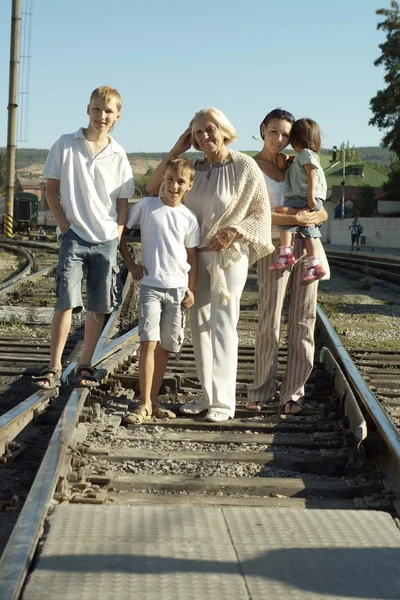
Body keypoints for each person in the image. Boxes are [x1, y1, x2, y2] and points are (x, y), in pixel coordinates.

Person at [147, 107, 273, 422]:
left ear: (224, 129)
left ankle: (224, 402)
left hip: (229, 256)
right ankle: (207, 395)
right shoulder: (193, 169)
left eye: (210, 129)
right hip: (193, 258)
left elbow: (261, 212)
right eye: (198, 132)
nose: (205, 136)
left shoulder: (244, 165)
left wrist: (235, 231)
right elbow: (152, 191)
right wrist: (177, 149)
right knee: (198, 325)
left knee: (223, 325)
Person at [32, 86, 134, 390]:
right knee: (65, 301)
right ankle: (53, 366)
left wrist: (116, 234)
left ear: (117, 116)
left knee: (98, 305)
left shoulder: (118, 154)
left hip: (105, 239)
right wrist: (65, 228)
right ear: (88, 110)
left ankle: (86, 365)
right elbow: (51, 189)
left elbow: (123, 202)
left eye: (108, 111)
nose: (102, 116)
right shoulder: (65, 145)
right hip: (74, 236)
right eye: (97, 109)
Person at [246, 108, 330, 415]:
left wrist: (314, 215)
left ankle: (293, 393)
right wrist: (294, 216)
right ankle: (261, 389)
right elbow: (255, 215)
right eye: (274, 132)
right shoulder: (251, 167)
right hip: (273, 245)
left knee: (304, 320)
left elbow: (321, 210)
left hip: (307, 246)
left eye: (286, 134)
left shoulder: (297, 162)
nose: (279, 139)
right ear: (263, 129)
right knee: (269, 320)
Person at [120, 158, 200, 424]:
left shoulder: (188, 218)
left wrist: (191, 288)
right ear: (162, 179)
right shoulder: (147, 206)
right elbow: (121, 235)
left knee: (165, 347)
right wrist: (132, 264)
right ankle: (143, 404)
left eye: (180, 182)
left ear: (189, 185)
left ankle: (153, 402)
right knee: (148, 343)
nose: (173, 186)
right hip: (151, 287)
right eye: (169, 180)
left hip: (177, 290)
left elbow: (192, 255)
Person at [270, 118, 327, 284]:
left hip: (303, 196)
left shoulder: (305, 154)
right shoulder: (306, 155)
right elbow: (297, 163)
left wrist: (310, 197)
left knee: (285, 218)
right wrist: (286, 159)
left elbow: (311, 174)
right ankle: (315, 265)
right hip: (307, 196)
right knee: (309, 231)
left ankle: (286, 254)